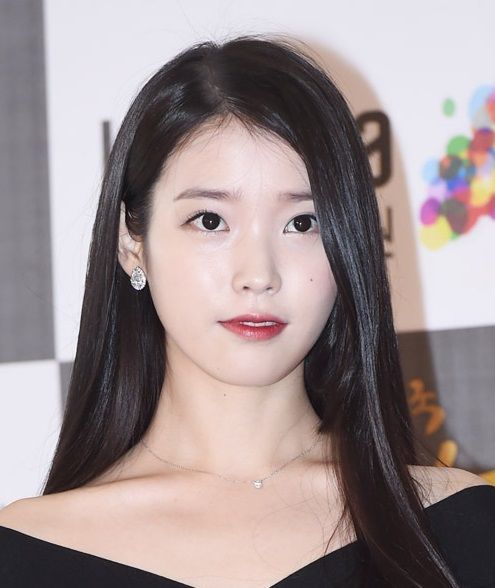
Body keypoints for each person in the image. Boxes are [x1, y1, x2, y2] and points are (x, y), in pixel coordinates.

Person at [0, 33, 494, 588]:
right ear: (130, 241)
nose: (258, 274)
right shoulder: (26, 552)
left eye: (302, 223)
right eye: (210, 221)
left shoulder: (460, 529)